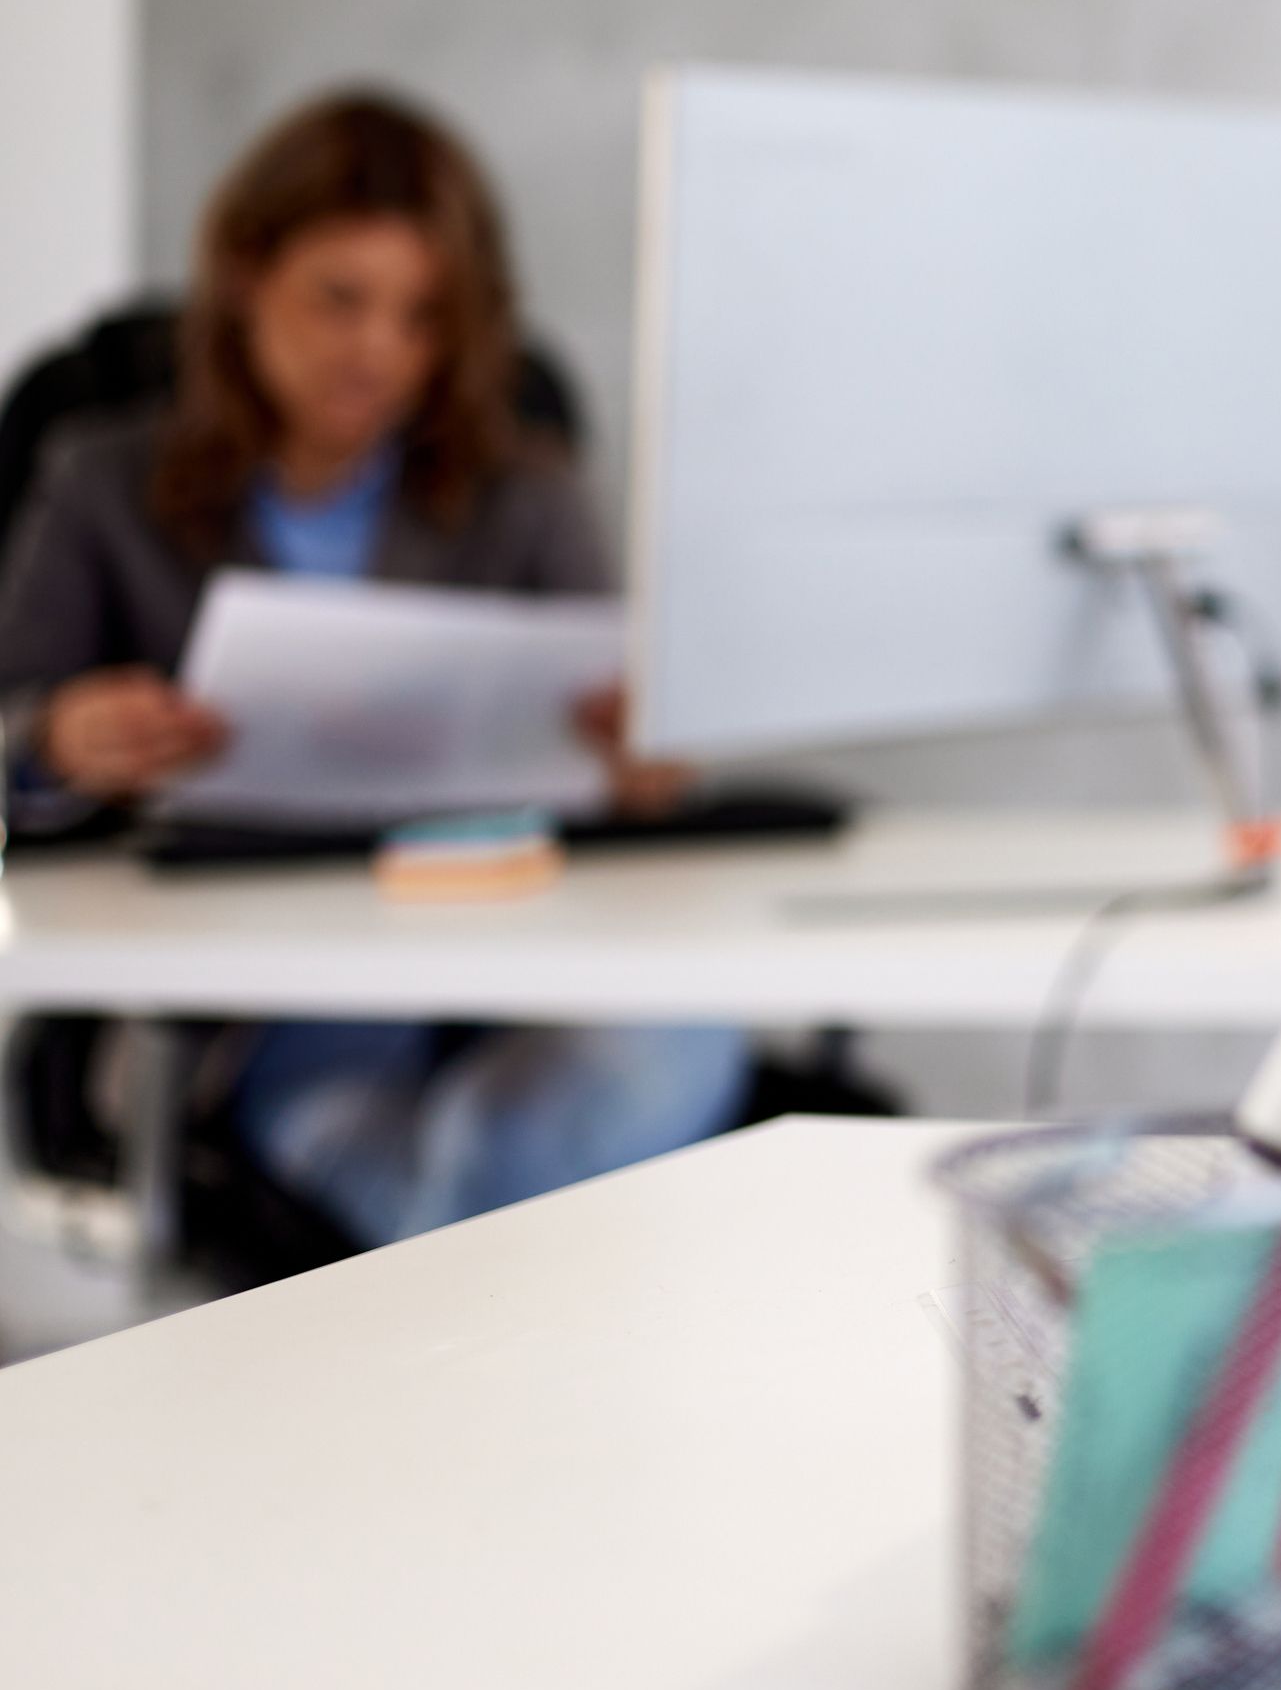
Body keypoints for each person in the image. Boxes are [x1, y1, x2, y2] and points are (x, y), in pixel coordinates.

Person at [0, 89, 748, 1248]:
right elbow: (14, 726)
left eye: (424, 316)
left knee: (664, 1051)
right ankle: (490, 1281)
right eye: (340, 301)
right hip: (267, 968)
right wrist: (58, 738)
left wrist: (642, 764)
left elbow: (631, 753)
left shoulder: (526, 489)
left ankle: (453, 1269)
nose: (378, 352)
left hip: (507, 942)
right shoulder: (101, 481)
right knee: (431, 1162)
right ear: (247, 276)